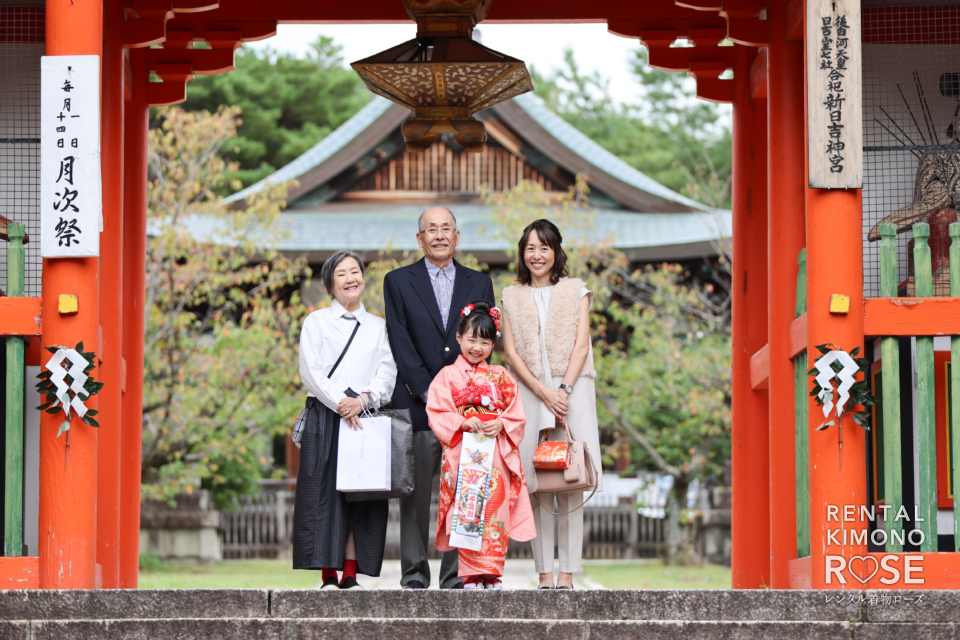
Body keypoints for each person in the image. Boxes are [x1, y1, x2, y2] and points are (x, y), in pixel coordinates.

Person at [384, 207, 496, 590]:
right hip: (417, 404)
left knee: (465, 489)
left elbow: (484, 339)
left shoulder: (479, 282)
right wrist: (433, 393)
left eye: (445, 228)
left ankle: (455, 575)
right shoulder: (398, 281)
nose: (439, 235)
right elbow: (400, 340)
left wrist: (460, 394)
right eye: (430, 229)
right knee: (414, 492)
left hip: (468, 410)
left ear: (457, 236)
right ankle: (414, 574)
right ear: (420, 239)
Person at [500, 219, 602, 590]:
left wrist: (563, 390)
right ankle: (543, 573)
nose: (537, 255)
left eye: (544, 247)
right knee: (538, 483)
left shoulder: (577, 291)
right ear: (521, 253)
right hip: (530, 392)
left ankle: (567, 574)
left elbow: (581, 345)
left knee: (571, 479)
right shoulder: (510, 296)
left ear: (556, 251)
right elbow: (510, 353)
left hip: (573, 392)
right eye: (530, 248)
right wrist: (545, 392)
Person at [293, 250, 398, 590]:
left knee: (360, 496)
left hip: (365, 417)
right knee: (324, 495)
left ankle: (351, 573)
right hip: (326, 414)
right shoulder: (316, 322)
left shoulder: (378, 326)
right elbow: (310, 371)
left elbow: (387, 371)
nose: (351, 278)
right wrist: (342, 402)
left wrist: (364, 399)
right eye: (342, 273)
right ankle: (328, 575)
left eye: (356, 271)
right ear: (330, 283)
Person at [426, 301, 536, 589]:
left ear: (493, 344)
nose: (477, 347)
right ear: (459, 337)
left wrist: (501, 424)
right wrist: (462, 422)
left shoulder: (500, 375)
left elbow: (516, 411)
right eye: (472, 338)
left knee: (494, 510)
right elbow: (437, 410)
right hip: (465, 453)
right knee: (468, 508)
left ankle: (493, 573)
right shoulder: (448, 375)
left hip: (495, 452)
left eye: (485, 341)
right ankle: (471, 574)